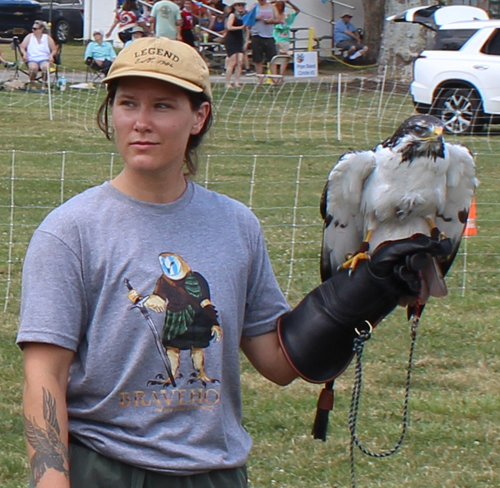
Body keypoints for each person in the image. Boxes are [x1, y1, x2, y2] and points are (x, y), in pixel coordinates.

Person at [17, 35, 450, 488]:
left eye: (163, 106)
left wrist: (363, 295)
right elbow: (44, 373)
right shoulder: (69, 231)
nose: (140, 122)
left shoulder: (236, 224)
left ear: (198, 116)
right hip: (105, 469)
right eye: (128, 103)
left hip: (216, 472)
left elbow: (278, 364)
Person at [19, 20, 58, 92]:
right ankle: (33, 83)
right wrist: (24, 53)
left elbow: (54, 49)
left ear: (41, 29)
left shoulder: (47, 37)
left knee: (45, 67)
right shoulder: (29, 36)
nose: (33, 30)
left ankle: (44, 85)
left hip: (44, 58)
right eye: (33, 28)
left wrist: (51, 56)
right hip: (32, 58)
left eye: (35, 29)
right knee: (33, 68)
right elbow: (22, 47)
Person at [249, 0, 281, 85]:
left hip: (269, 36)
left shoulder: (272, 7)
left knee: (272, 59)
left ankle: (275, 80)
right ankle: (260, 81)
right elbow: (247, 19)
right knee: (258, 59)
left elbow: (278, 19)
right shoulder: (254, 7)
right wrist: (256, 17)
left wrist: (272, 20)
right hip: (256, 35)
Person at [272, 0, 300, 77]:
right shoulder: (272, 17)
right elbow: (262, 7)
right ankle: (274, 76)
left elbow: (297, 11)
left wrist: (289, 3)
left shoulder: (287, 16)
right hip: (274, 39)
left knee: (284, 58)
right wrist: (272, 2)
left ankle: (281, 75)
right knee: (273, 58)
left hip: (284, 39)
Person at [224, 0, 247, 88]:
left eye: (242, 5)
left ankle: (237, 81)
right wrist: (241, 27)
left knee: (240, 61)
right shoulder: (232, 15)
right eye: (238, 5)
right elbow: (229, 27)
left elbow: (247, 29)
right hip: (232, 39)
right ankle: (227, 82)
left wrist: (246, 41)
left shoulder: (243, 16)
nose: (240, 7)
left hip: (240, 39)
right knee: (232, 62)